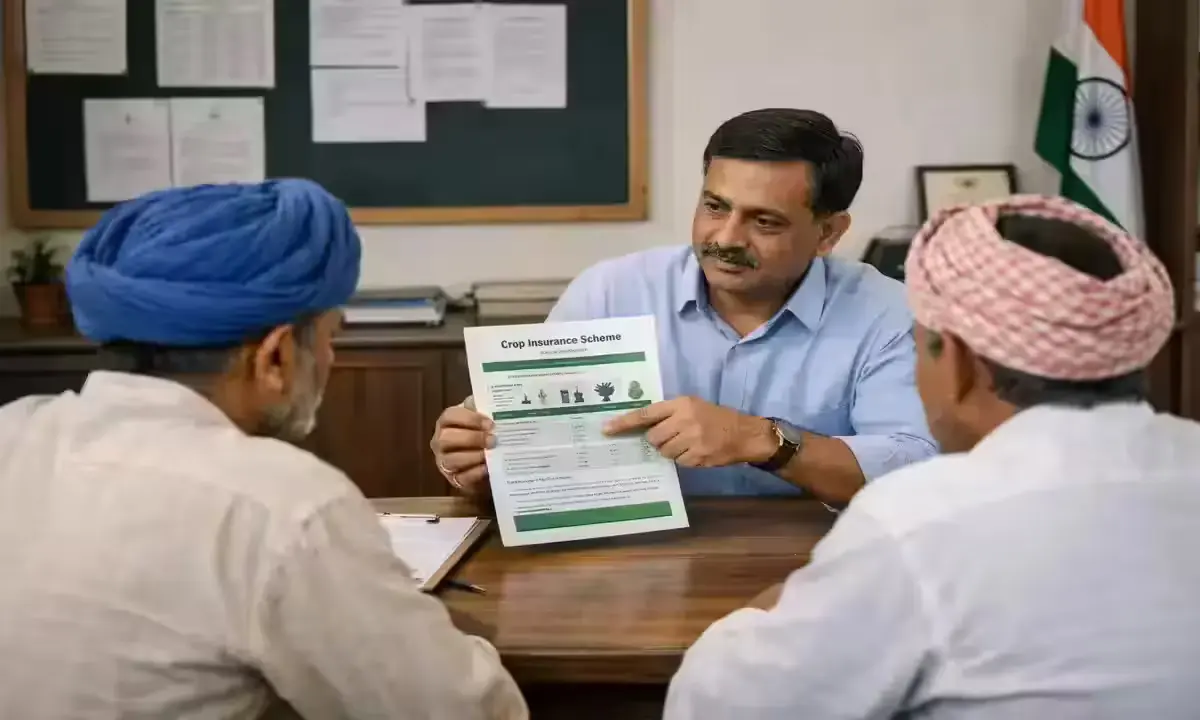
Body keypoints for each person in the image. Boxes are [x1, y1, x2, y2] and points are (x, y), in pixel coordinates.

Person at [0, 181, 527, 719]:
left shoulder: (12, 430)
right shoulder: (285, 504)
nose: (330, 358)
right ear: (275, 357)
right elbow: (466, 712)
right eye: (330, 336)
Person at [663, 195, 1200, 719]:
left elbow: (720, 703)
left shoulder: (916, 522)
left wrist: (781, 604)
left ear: (958, 361)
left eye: (917, 344)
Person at [432, 108, 936, 504]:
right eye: (715, 207)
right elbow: (534, 456)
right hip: (633, 565)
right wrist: (478, 464)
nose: (726, 239)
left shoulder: (888, 313)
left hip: (818, 565)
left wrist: (762, 440)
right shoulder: (610, 292)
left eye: (764, 222)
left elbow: (917, 470)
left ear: (828, 233)